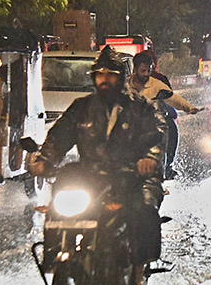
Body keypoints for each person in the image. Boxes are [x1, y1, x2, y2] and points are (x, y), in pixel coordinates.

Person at [28, 47, 166, 273]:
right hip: (91, 175)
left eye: (111, 75)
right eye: (100, 75)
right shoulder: (81, 108)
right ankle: (54, 254)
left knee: (144, 209)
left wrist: (148, 159)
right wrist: (44, 161)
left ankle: (139, 269)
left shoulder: (140, 108)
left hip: (131, 176)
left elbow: (157, 135)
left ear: (120, 78)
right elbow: (60, 135)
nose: (105, 80)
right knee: (62, 187)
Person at [129, 50, 201, 179]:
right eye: (143, 71)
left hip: (151, 126)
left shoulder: (156, 84)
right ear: (135, 69)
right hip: (130, 128)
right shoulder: (124, 85)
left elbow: (173, 98)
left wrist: (189, 108)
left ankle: (164, 172)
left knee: (165, 141)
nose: (146, 74)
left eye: (148, 71)